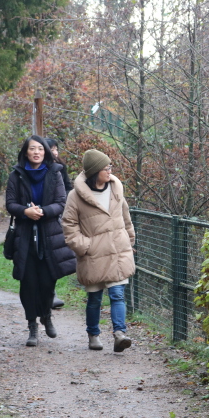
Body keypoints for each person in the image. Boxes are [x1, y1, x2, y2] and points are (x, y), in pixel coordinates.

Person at [61, 149, 136, 352]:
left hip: (117, 251)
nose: (110, 171)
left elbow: (125, 216)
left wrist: (129, 241)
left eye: (110, 166)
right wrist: (85, 246)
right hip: (93, 256)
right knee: (94, 298)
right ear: (95, 172)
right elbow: (69, 225)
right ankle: (93, 334)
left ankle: (120, 334)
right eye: (106, 168)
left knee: (117, 294)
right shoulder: (75, 196)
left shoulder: (116, 188)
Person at [5, 135, 77, 346]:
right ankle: (32, 326)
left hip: (49, 235)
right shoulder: (16, 175)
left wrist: (43, 212)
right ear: (25, 152)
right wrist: (26, 212)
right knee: (28, 282)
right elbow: (10, 203)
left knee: (47, 281)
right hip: (24, 235)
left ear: (45, 152)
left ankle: (46, 315)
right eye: (32, 149)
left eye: (40, 149)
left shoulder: (55, 172)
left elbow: (61, 203)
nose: (36, 152)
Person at [45, 137, 72, 309]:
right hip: (39, 216)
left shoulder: (61, 168)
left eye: (56, 148)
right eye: (52, 149)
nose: (55, 152)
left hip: (58, 216)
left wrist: (63, 203)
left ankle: (51, 293)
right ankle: (41, 293)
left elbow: (68, 188)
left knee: (56, 254)